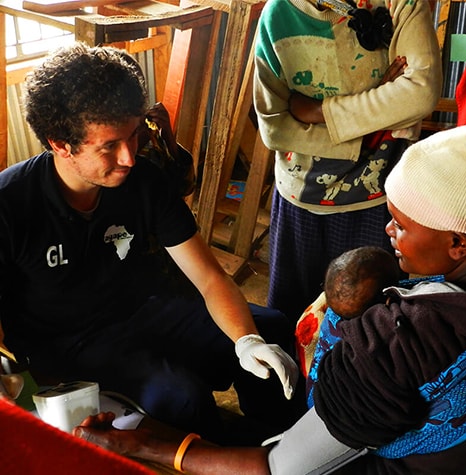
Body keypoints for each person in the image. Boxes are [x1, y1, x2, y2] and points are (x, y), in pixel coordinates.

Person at [74, 123, 466, 474]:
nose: (387, 230)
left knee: (196, 386)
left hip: (378, 463)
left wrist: (143, 445)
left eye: (401, 225)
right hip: (102, 331)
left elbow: (282, 470)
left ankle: (274, 435)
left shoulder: (401, 338)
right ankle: (282, 428)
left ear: (457, 242)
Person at [0, 42, 306, 444]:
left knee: (270, 329)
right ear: (60, 143)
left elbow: (210, 278)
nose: (129, 157)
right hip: (70, 345)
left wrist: (246, 342)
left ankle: (284, 444)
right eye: (109, 146)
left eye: (133, 135)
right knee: (181, 399)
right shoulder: (11, 203)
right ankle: (208, 460)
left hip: (148, 309)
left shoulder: (143, 181)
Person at [253, 0, 443, 324]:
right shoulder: (278, 14)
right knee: (292, 321)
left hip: (375, 199)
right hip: (303, 196)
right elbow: (275, 127)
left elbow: (421, 93)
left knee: (370, 325)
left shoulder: (400, 4)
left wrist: (318, 112)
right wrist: (380, 104)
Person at [305, 245, 400, 406]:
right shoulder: (382, 337)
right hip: (336, 411)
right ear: (388, 300)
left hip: (312, 399)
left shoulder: (334, 313)